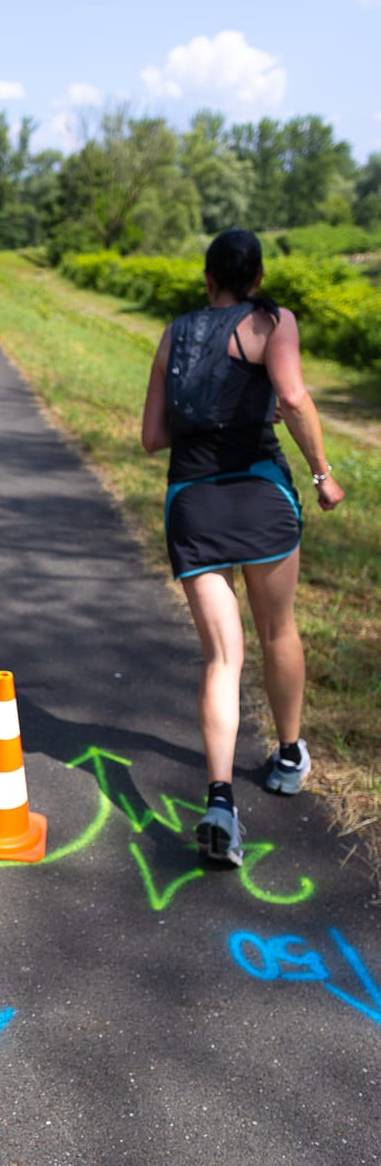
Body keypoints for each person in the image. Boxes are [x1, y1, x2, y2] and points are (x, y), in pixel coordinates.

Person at [141, 229, 344, 867]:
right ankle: (287, 758)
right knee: (278, 632)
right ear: (255, 277)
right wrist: (321, 473)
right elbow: (291, 394)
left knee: (222, 658)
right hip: (261, 496)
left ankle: (221, 799)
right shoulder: (270, 319)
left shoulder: (176, 332)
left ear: (209, 280)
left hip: (193, 505)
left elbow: (152, 436)